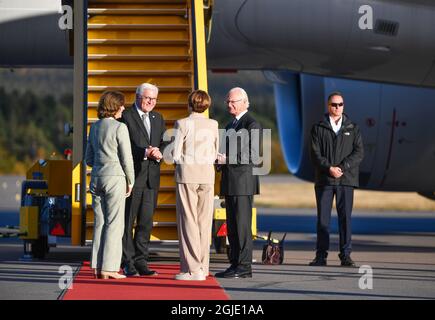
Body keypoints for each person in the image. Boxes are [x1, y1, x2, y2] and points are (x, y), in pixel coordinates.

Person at [309, 91, 364, 267]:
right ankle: (321, 256)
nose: (337, 108)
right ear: (328, 106)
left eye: (340, 104)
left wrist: (342, 167)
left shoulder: (353, 128)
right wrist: (328, 168)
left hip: (346, 180)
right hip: (325, 180)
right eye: (334, 104)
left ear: (343, 106)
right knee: (323, 220)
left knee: (345, 219)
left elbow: (359, 152)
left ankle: (346, 255)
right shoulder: (318, 128)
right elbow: (315, 154)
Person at [85, 91, 134, 280]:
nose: (123, 108)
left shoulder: (94, 127)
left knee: (100, 223)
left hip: (96, 177)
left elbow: (88, 158)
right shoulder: (120, 128)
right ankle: (110, 268)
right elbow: (127, 158)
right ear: (115, 106)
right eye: (121, 105)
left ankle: (97, 267)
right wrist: (130, 180)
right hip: (115, 178)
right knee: (115, 223)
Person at [120, 83, 168, 276]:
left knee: (146, 223)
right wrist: (145, 152)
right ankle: (128, 262)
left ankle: (141, 261)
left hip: (151, 179)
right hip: (133, 178)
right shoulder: (126, 117)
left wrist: (160, 151)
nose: (151, 102)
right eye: (147, 98)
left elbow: (164, 141)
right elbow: (124, 146)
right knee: (127, 222)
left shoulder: (158, 118)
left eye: (154, 99)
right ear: (137, 96)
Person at [172, 90, 219, 281]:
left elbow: (174, 154)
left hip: (187, 175)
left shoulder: (182, 123)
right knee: (204, 222)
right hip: (207, 176)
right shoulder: (213, 124)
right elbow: (216, 151)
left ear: (190, 103)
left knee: (188, 221)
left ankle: (191, 269)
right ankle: (203, 266)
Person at [215, 87, 261, 279]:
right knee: (232, 227)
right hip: (230, 181)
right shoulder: (229, 125)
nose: (229, 104)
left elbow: (252, 154)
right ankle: (235, 263)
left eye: (233, 101)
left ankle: (244, 266)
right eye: (227, 101)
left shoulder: (252, 124)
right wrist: (218, 161)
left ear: (244, 102)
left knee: (242, 226)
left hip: (243, 183)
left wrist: (226, 159)